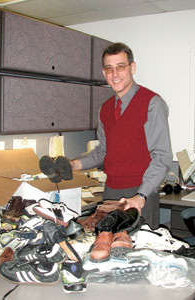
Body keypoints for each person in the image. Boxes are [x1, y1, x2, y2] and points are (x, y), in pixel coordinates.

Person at [70, 42, 173, 229]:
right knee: (108, 246)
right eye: (109, 68)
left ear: (132, 68)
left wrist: (140, 196)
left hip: (140, 192)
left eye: (120, 67)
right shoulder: (105, 109)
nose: (114, 74)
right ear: (103, 73)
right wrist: (75, 164)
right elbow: (103, 152)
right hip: (110, 191)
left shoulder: (151, 103)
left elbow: (162, 157)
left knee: (139, 249)